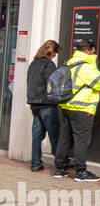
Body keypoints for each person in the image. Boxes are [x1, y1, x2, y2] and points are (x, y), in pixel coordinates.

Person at [54, 40, 100, 183]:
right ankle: (81, 172)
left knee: (64, 138)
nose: (94, 54)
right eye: (93, 51)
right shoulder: (85, 66)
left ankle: (60, 169)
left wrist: (97, 90)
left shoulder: (70, 62)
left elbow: (82, 84)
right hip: (82, 109)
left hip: (66, 106)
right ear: (89, 51)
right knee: (81, 140)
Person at [26, 40, 60, 173]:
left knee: (37, 134)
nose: (55, 56)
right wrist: (58, 98)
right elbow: (52, 84)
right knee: (55, 134)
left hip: (34, 104)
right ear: (50, 51)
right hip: (46, 104)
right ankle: (60, 164)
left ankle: (35, 163)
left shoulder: (33, 64)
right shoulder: (48, 64)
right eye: (55, 53)